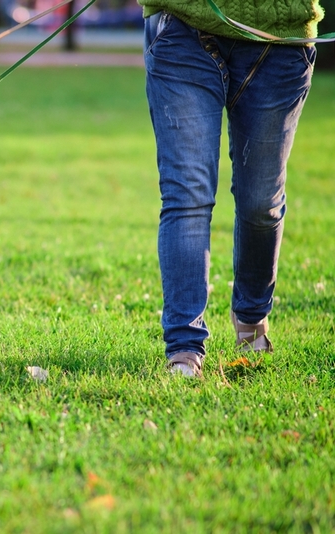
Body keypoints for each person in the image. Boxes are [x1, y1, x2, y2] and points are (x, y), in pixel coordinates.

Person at [137, 0, 324, 377]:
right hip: (184, 29)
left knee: (261, 203)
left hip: (280, 38)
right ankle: (184, 348)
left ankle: (252, 319)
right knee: (187, 194)